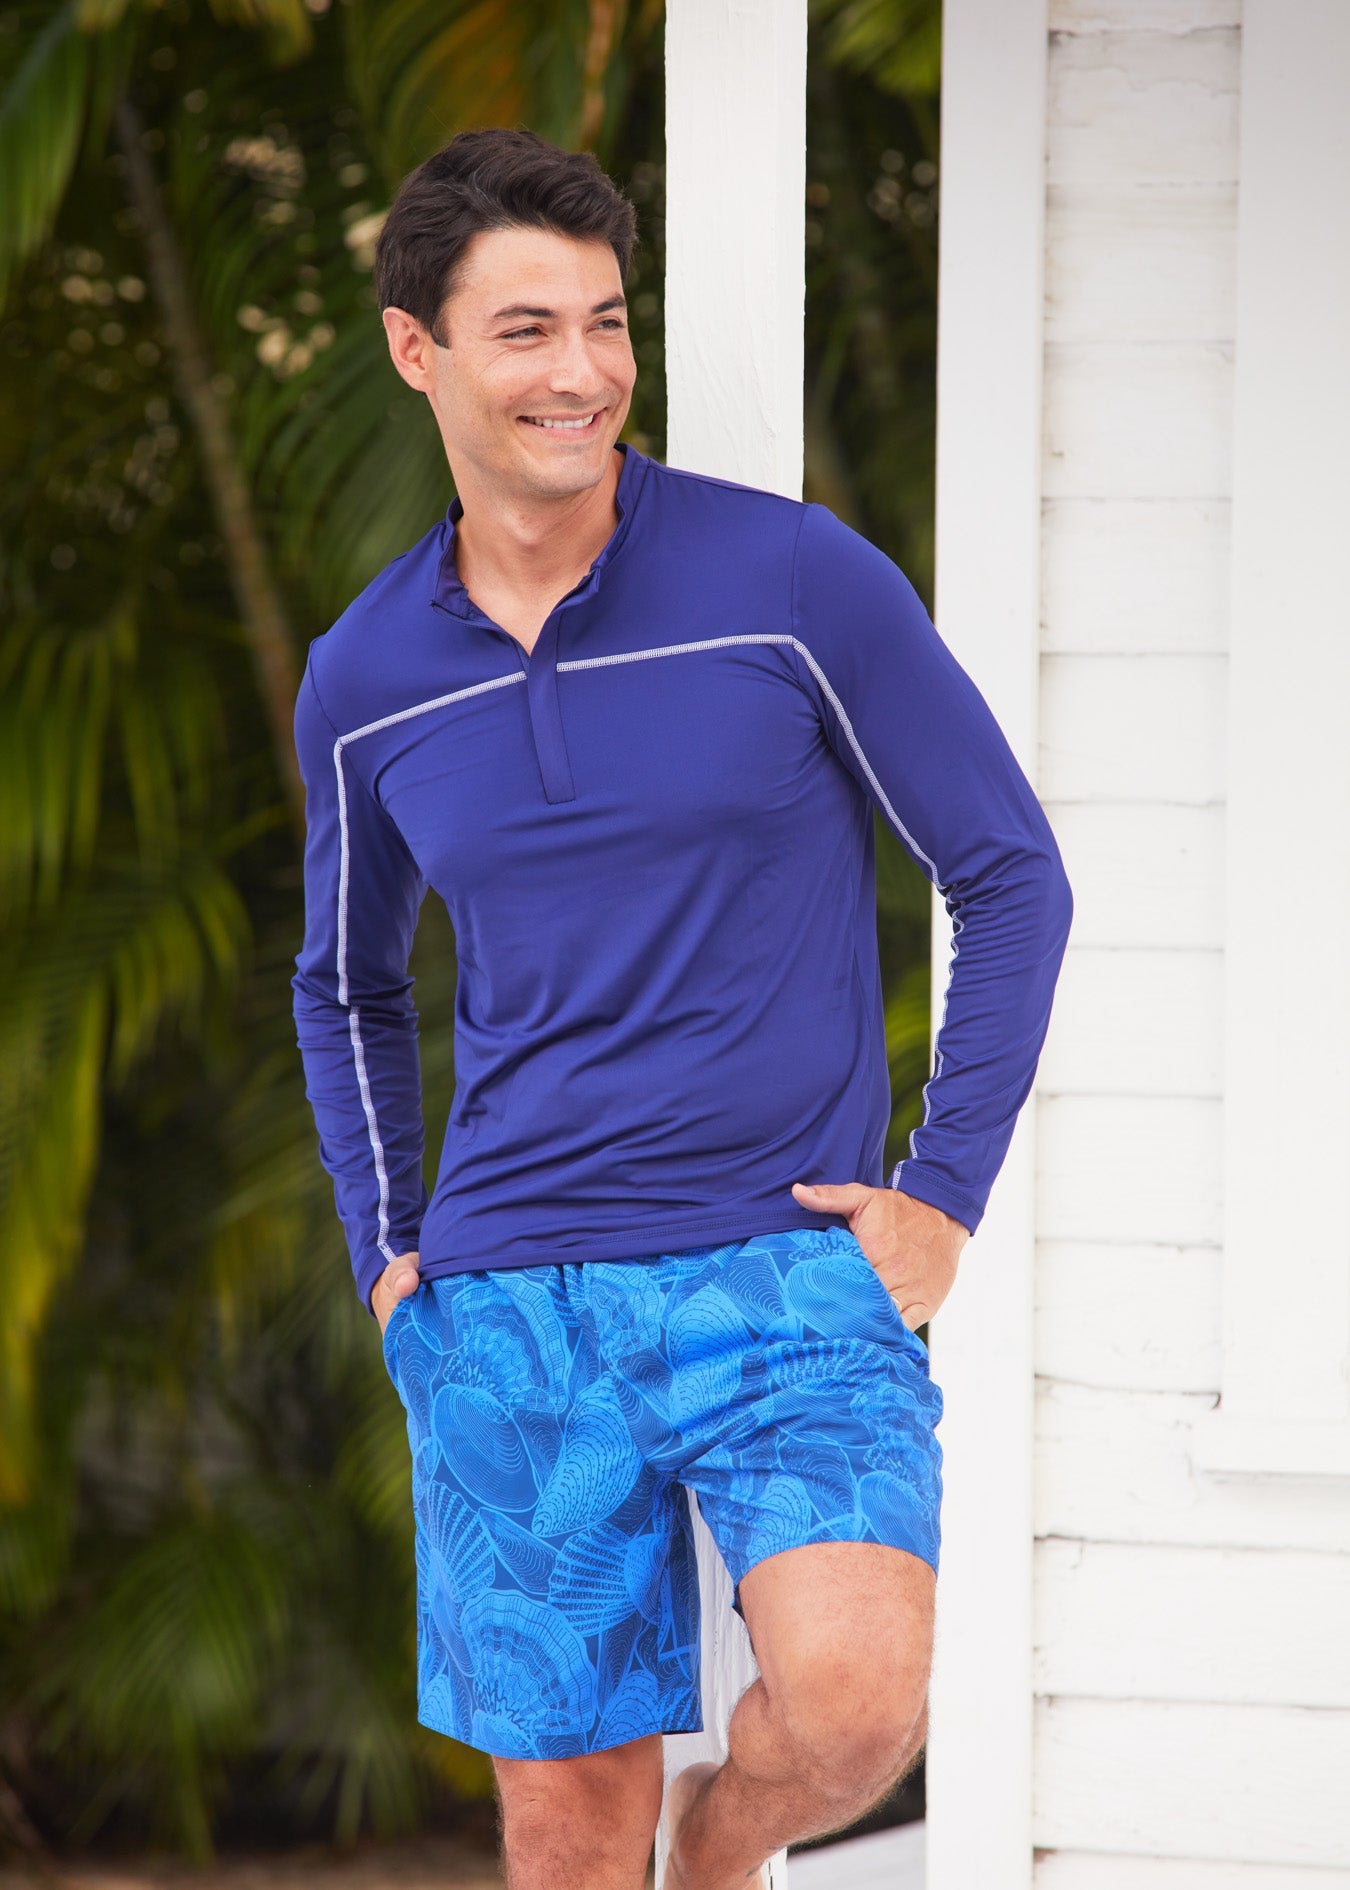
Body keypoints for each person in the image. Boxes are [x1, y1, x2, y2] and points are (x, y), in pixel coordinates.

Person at [291, 126, 1073, 1890]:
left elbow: (1008, 871)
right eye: (524, 330)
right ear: (417, 350)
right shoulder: (362, 678)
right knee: (565, 1827)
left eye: (606, 321)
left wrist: (940, 1193)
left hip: (782, 1262)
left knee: (858, 1701)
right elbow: (343, 978)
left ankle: (719, 1858)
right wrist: (389, 1246)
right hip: (510, 1299)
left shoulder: (790, 582)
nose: (581, 373)